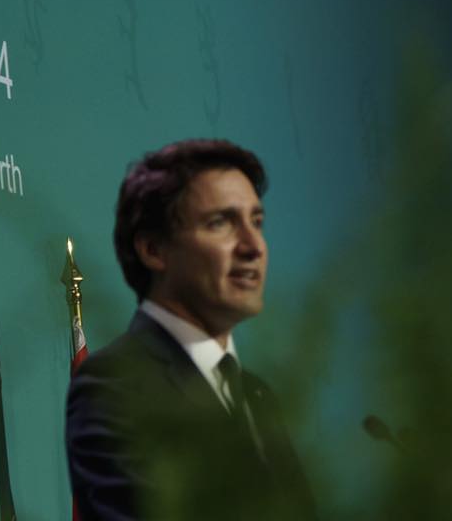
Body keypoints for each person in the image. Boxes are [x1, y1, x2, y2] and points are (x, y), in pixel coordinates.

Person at [65, 139, 316, 520]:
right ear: (154, 249)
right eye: (221, 223)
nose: (253, 246)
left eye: (257, 222)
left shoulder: (258, 396)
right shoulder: (113, 387)